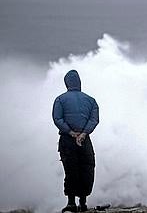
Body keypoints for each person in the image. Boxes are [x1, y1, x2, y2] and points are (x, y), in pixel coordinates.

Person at [53, 70, 99, 212]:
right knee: (86, 168)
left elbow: (57, 119)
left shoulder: (60, 99)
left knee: (71, 170)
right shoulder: (91, 100)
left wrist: (71, 133)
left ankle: (71, 203)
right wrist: (83, 134)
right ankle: (83, 203)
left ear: (67, 83)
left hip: (67, 140)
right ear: (79, 82)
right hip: (85, 140)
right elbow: (94, 119)